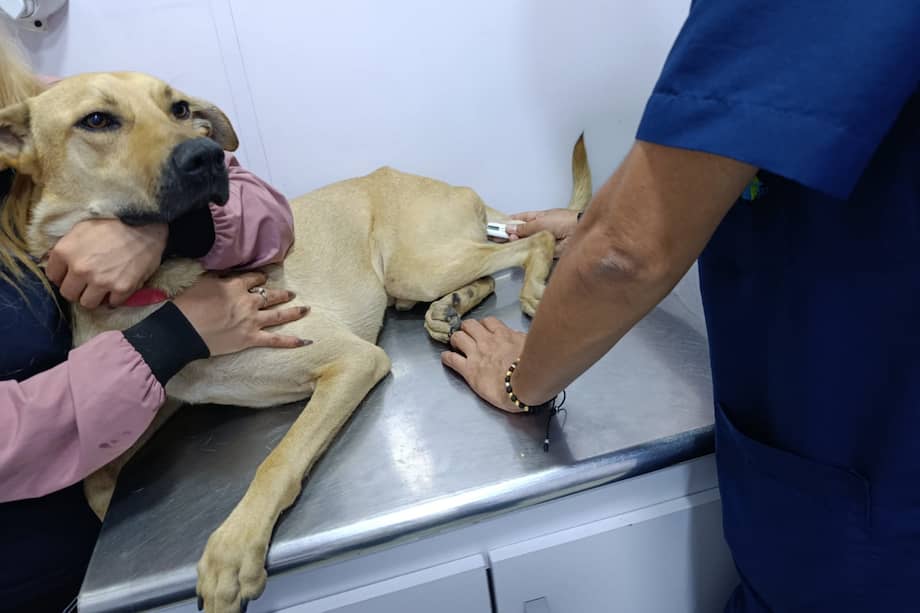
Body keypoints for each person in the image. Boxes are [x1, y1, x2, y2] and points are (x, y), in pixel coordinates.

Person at [443, 2, 920, 612]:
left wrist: (520, 381)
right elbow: (757, 156)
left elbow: (625, 257)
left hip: (873, 501)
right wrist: (593, 226)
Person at [0, 34, 309, 611]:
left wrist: (165, 230)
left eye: (180, 113)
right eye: (102, 123)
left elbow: (267, 211)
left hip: (146, 506)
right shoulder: (45, 123)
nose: (185, 142)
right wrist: (165, 340)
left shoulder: (53, 106)